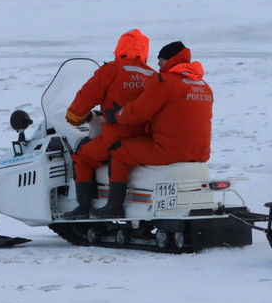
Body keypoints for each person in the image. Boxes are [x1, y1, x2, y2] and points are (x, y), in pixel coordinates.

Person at [90, 40, 213, 219]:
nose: (157, 65)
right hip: (200, 153)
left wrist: (114, 116)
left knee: (118, 150)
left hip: (168, 151)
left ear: (169, 60)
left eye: (160, 60)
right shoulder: (203, 85)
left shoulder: (165, 81)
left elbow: (139, 112)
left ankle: (114, 206)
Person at [60, 28, 154, 219]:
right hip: (144, 139)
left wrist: (74, 116)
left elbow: (86, 95)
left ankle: (84, 207)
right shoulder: (153, 75)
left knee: (81, 157)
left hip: (115, 137)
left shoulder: (112, 70)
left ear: (120, 48)